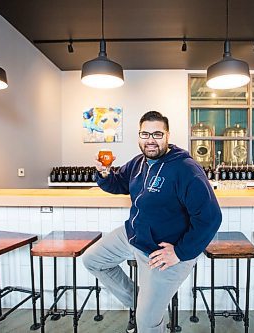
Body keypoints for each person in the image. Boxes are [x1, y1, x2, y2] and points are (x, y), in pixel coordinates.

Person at [83, 111, 222, 333]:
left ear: (167, 135)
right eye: (145, 134)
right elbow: (119, 184)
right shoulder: (139, 163)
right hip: (135, 236)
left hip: (165, 253)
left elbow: (211, 218)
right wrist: (105, 174)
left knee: (147, 323)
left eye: (157, 134)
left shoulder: (185, 169)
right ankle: (140, 303)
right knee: (92, 260)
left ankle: (146, 312)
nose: (150, 140)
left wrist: (180, 252)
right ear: (139, 136)